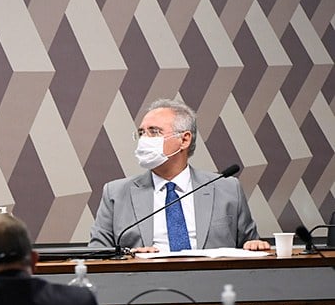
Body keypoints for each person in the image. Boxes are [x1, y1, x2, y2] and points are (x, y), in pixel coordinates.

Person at [90, 98, 270, 253]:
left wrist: (255, 245)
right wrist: (129, 256)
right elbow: (96, 253)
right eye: (141, 133)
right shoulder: (116, 192)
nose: (144, 139)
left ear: (184, 139)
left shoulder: (227, 188)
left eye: (154, 131)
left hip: (213, 285)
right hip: (144, 284)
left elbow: (250, 244)